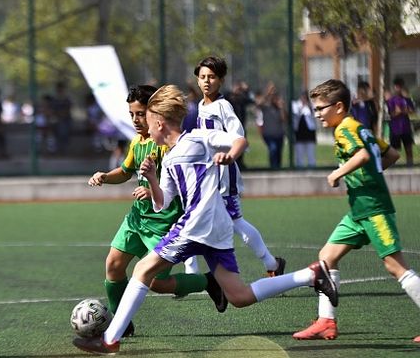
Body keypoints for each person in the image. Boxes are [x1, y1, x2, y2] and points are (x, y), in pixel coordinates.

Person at [72, 85, 338, 355]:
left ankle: (109, 341)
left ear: (160, 123)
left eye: (149, 123)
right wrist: (152, 178)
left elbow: (239, 140)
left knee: (142, 271)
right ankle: (311, 274)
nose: (146, 130)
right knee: (239, 296)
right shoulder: (170, 157)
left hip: (196, 225)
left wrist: (229, 155)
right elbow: (161, 203)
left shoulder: (199, 138)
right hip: (215, 230)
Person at [87, 85, 225, 338]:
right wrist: (106, 176)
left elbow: (177, 185)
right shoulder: (137, 142)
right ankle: (121, 322)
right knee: (113, 265)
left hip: (164, 223)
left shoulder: (166, 145)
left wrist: (152, 192)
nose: (136, 120)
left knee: (157, 284)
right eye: (132, 114)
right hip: (137, 219)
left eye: (141, 114)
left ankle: (209, 281)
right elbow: (126, 171)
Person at [292, 79, 420, 342]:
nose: (317, 114)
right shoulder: (360, 127)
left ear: (339, 107)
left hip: (374, 209)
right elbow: (392, 154)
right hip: (358, 210)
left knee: (395, 266)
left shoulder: (345, 128)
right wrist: (371, 173)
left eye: (321, 108)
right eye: (315, 109)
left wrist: (338, 173)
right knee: (327, 257)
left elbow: (361, 155)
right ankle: (326, 322)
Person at [193, 56, 285, 277]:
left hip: (224, 175)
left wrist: (229, 156)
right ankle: (194, 271)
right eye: (203, 77)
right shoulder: (200, 105)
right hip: (207, 175)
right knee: (196, 217)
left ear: (221, 80)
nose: (206, 81)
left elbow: (239, 137)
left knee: (234, 222)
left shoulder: (223, 106)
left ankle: (271, 264)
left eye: (212, 77)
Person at [255, 81, 286, 169]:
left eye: (275, 97)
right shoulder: (266, 107)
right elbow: (258, 104)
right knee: (273, 149)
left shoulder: (279, 108)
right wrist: (268, 93)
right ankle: (273, 168)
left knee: (278, 153)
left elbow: (284, 119)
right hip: (269, 135)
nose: (274, 99)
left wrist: (282, 108)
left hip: (279, 135)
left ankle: (277, 168)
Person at [386, 78, 415, 166]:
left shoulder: (407, 99)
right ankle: (392, 165)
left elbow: (411, 110)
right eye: (397, 86)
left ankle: (410, 164)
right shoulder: (391, 100)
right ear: (394, 87)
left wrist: (403, 111)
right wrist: (398, 112)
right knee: (394, 149)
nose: (398, 88)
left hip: (405, 127)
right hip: (395, 128)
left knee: (408, 147)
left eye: (400, 86)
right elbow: (391, 114)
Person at [292, 90, 317, 168]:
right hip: (299, 133)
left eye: (305, 97)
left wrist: (308, 105)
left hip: (310, 133)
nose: (304, 98)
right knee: (299, 154)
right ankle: (299, 167)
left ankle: (312, 167)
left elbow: (314, 114)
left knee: (311, 153)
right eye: (303, 96)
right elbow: (295, 115)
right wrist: (302, 106)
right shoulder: (295, 104)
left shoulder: (311, 105)